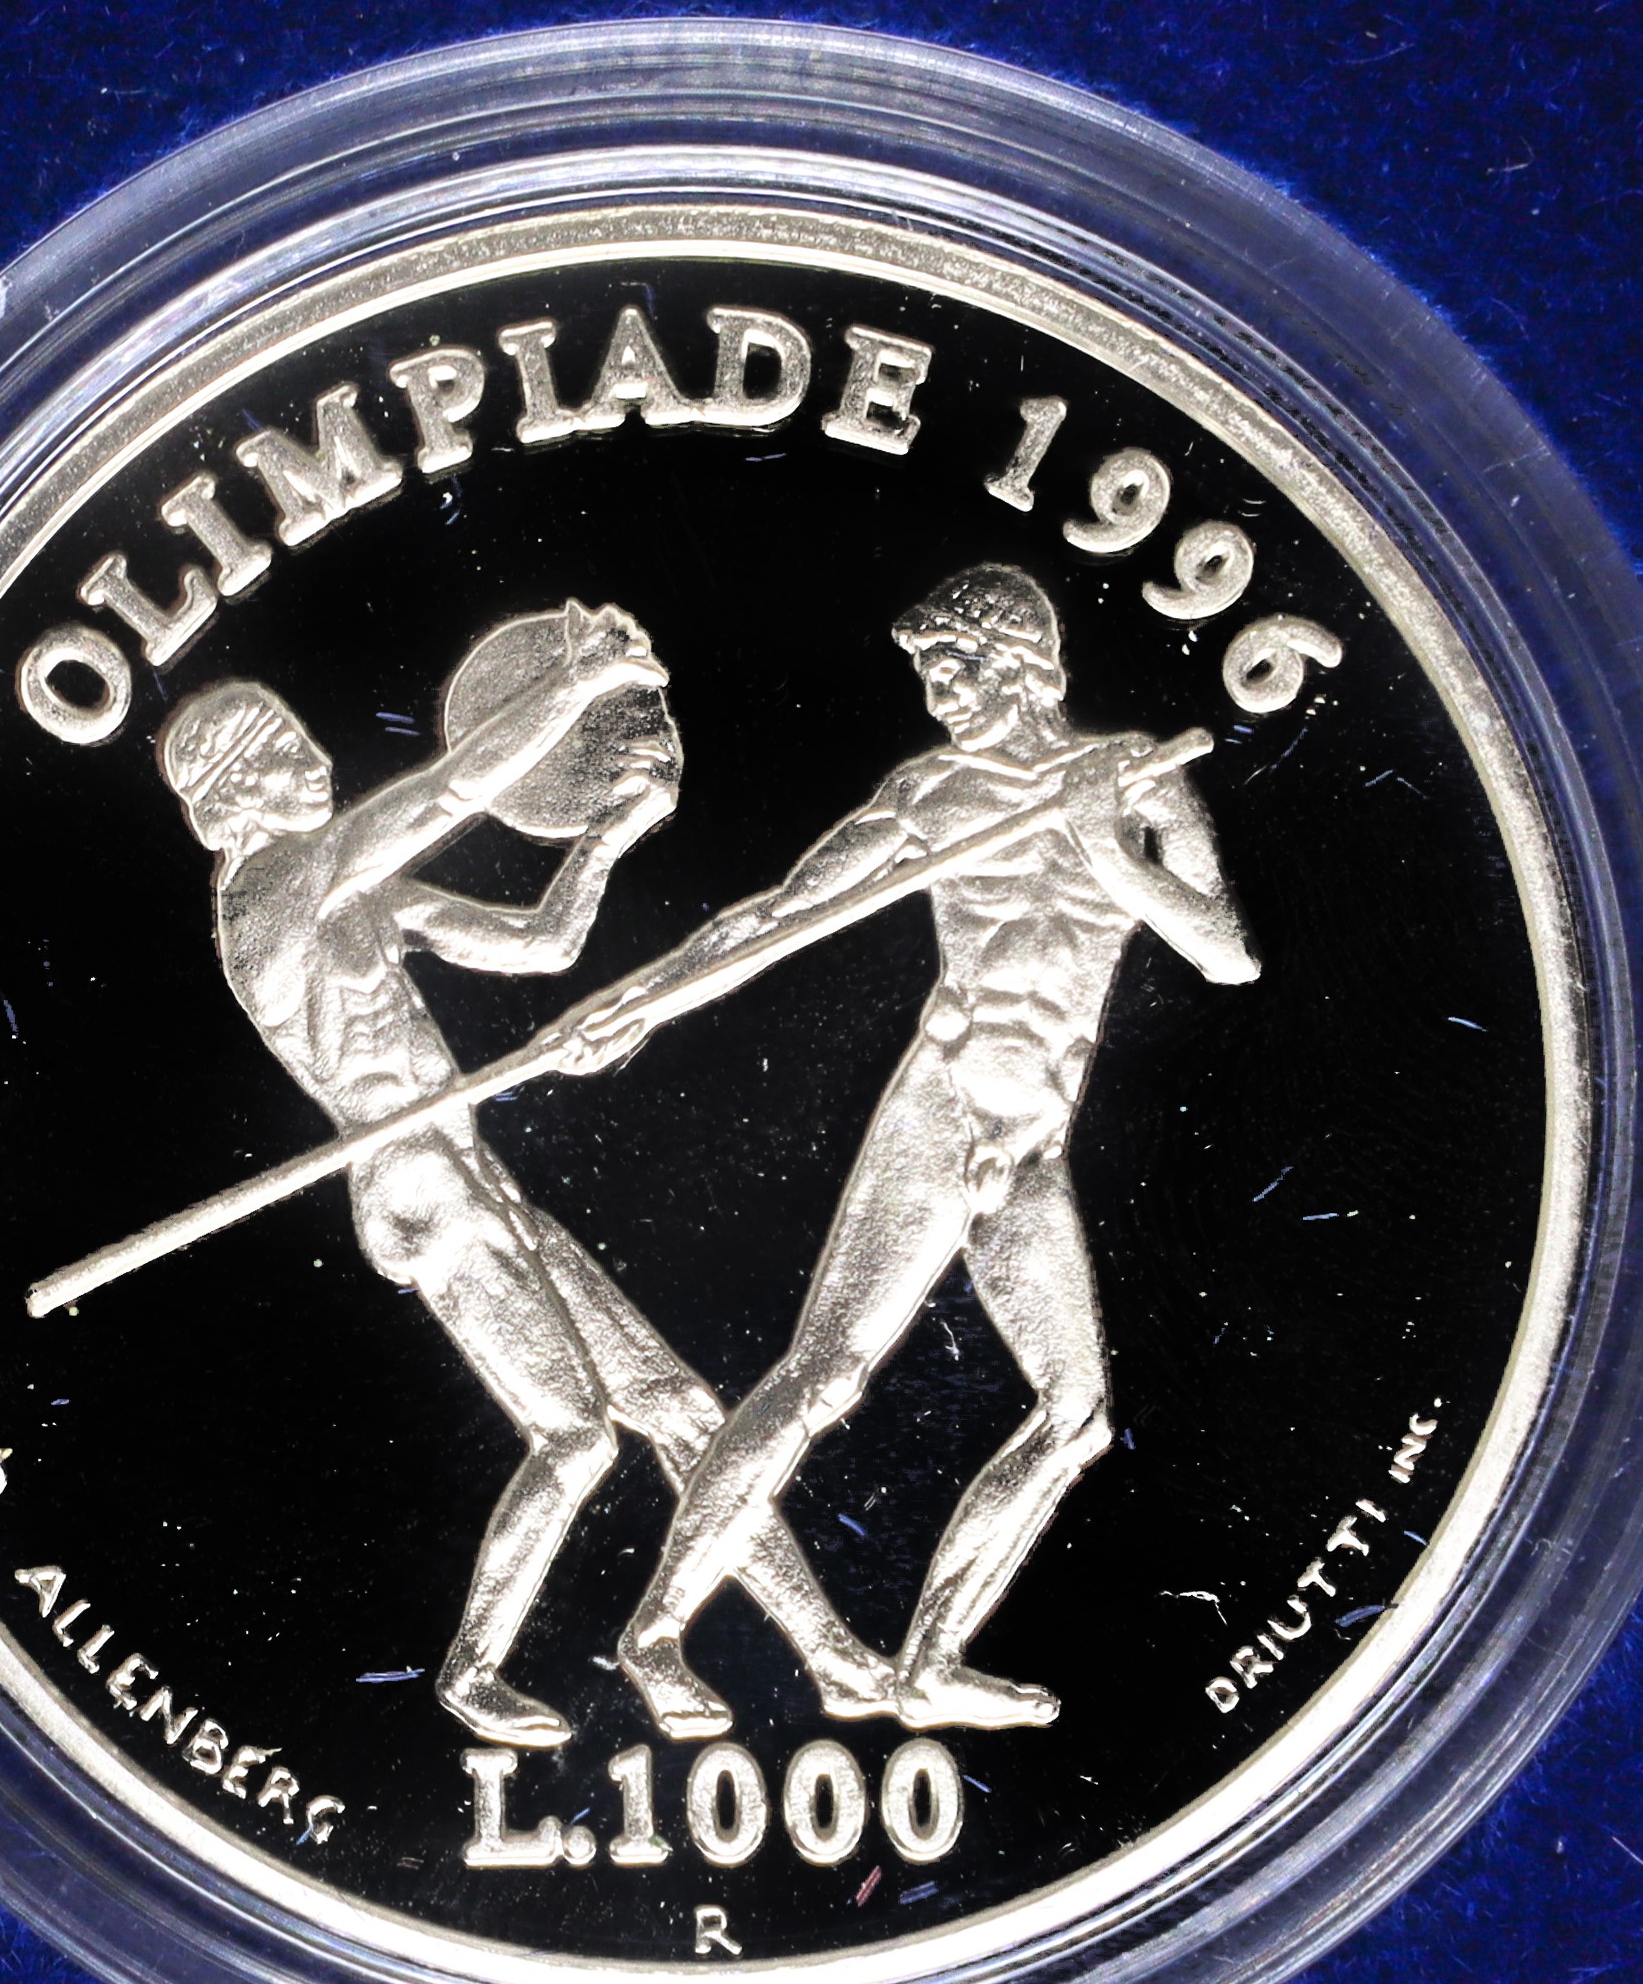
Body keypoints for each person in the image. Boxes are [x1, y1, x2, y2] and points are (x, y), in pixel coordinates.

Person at [158, 602, 900, 1750]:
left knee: (680, 1408)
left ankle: (830, 1650)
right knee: (575, 1436)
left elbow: (540, 945)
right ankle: (471, 1670)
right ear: (233, 792)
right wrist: (574, 683)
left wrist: (607, 834)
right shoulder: (269, 894)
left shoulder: (360, 894)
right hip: (420, 1191)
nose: (317, 762)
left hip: (479, 1177)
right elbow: (450, 791)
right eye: (287, 753)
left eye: (304, 744)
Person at [544, 565, 1260, 1737]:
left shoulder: (1137, 775)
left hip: (1033, 1132)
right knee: (825, 1372)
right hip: (944, 1100)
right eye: (927, 675)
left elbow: (1225, 950)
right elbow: (779, 912)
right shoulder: (932, 792)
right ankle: (656, 1628)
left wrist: (1108, 846)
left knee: (1075, 1411)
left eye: (954, 668)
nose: (938, 696)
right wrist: (637, 1003)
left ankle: (928, 1660)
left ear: (1020, 661)